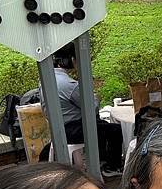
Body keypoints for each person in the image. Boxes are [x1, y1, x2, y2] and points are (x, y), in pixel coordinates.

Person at [40, 42, 124, 176]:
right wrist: (95, 96)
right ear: (72, 59)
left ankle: (101, 160)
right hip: (72, 129)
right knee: (115, 130)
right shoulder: (69, 85)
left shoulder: (48, 79)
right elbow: (92, 107)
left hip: (59, 127)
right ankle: (112, 167)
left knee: (101, 125)